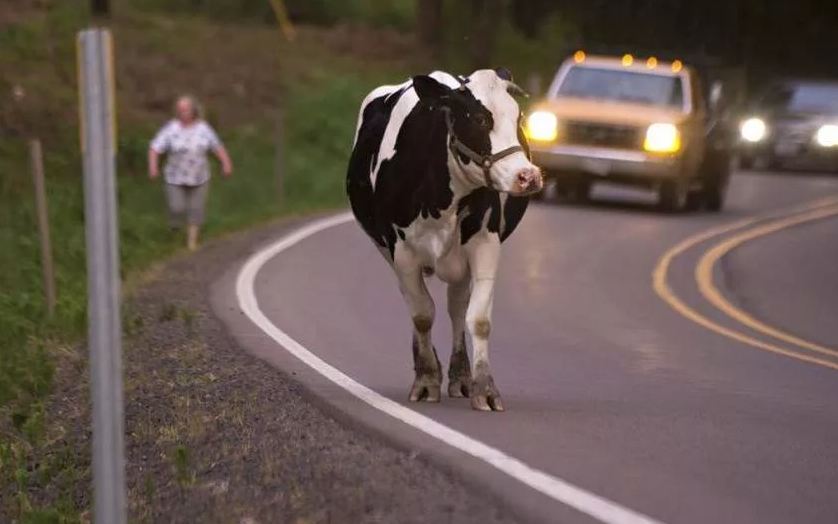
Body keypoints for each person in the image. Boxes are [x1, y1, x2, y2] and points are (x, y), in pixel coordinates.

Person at [148, 95, 233, 251]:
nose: (183, 112)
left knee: (196, 209)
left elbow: (217, 146)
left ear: (193, 110)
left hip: (199, 176)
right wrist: (153, 167)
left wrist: (226, 163)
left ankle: (191, 242)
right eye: (180, 109)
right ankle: (174, 228)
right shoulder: (171, 128)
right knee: (176, 207)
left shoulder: (204, 129)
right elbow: (155, 147)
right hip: (175, 177)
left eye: (186, 109)